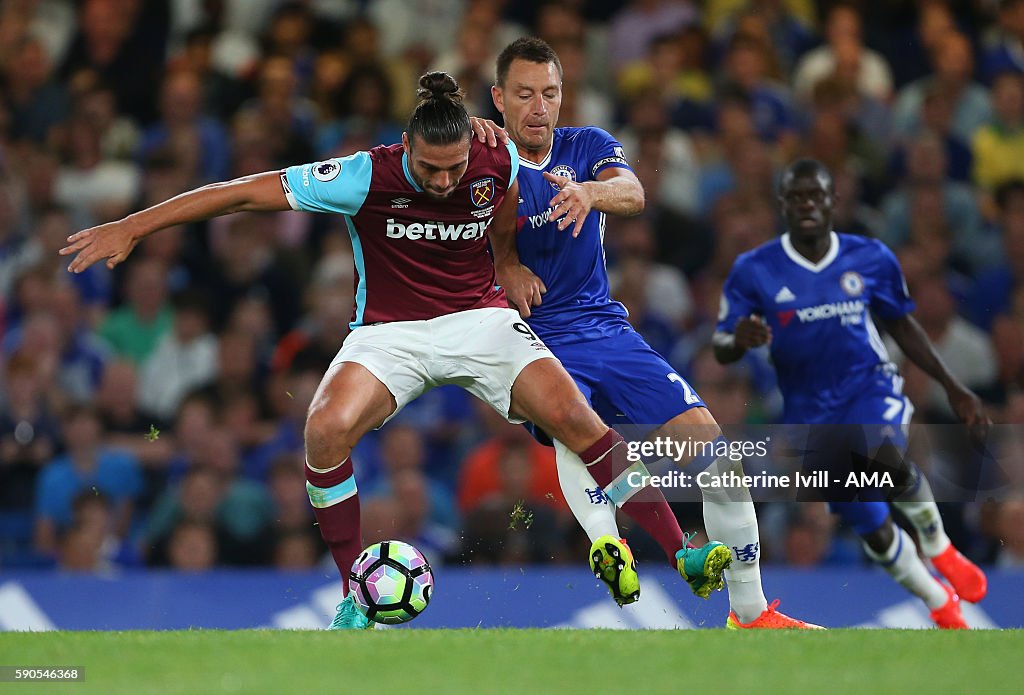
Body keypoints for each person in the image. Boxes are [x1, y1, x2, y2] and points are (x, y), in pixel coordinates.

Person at [59, 71, 721, 630]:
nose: (444, 180)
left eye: (455, 166)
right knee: (323, 429)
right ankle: (354, 591)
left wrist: (509, 259)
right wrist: (134, 225)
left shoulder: (492, 155)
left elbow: (509, 198)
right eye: (431, 169)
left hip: (480, 320)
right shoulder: (360, 175)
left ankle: (682, 550)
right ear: (406, 147)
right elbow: (239, 193)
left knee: (582, 422)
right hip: (391, 330)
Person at [486, 37, 816, 629]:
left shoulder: (584, 146)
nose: (539, 106)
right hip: (531, 334)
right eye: (525, 94)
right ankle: (605, 540)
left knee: (717, 455)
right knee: (576, 428)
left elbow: (634, 191)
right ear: (499, 99)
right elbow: (466, 233)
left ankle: (751, 614)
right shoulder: (483, 159)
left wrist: (591, 191)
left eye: (550, 93)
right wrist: (505, 265)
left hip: (606, 329)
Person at [713, 158, 990, 629]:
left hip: (869, 385)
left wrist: (953, 386)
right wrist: (738, 340)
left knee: (883, 453)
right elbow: (721, 347)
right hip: (809, 415)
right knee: (873, 528)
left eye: (816, 196)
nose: (807, 205)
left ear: (833, 202)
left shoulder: (871, 257)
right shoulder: (753, 270)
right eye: (796, 197)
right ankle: (939, 602)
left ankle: (940, 547)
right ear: (783, 204)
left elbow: (902, 324)